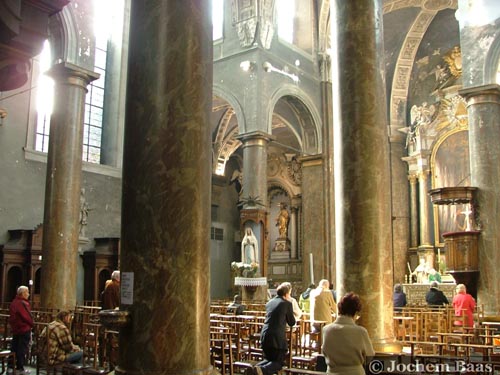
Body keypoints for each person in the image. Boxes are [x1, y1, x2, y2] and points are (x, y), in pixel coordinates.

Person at [246, 282, 295, 375]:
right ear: (287, 293)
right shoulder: (286, 303)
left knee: (268, 359)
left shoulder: (270, 302)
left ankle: (254, 369)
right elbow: (292, 322)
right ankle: (261, 370)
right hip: (276, 338)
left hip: (265, 334)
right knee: (279, 362)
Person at [322, 292, 375, 375]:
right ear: (356, 312)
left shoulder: (326, 330)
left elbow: (324, 352)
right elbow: (369, 356)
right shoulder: (361, 332)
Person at [9, 286, 34, 373]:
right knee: (22, 349)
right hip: (23, 329)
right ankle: (20, 368)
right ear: (23, 293)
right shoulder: (23, 303)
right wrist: (32, 323)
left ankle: (11, 366)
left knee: (14, 348)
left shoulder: (14, 302)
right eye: (27, 292)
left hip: (16, 329)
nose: (28, 294)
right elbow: (26, 316)